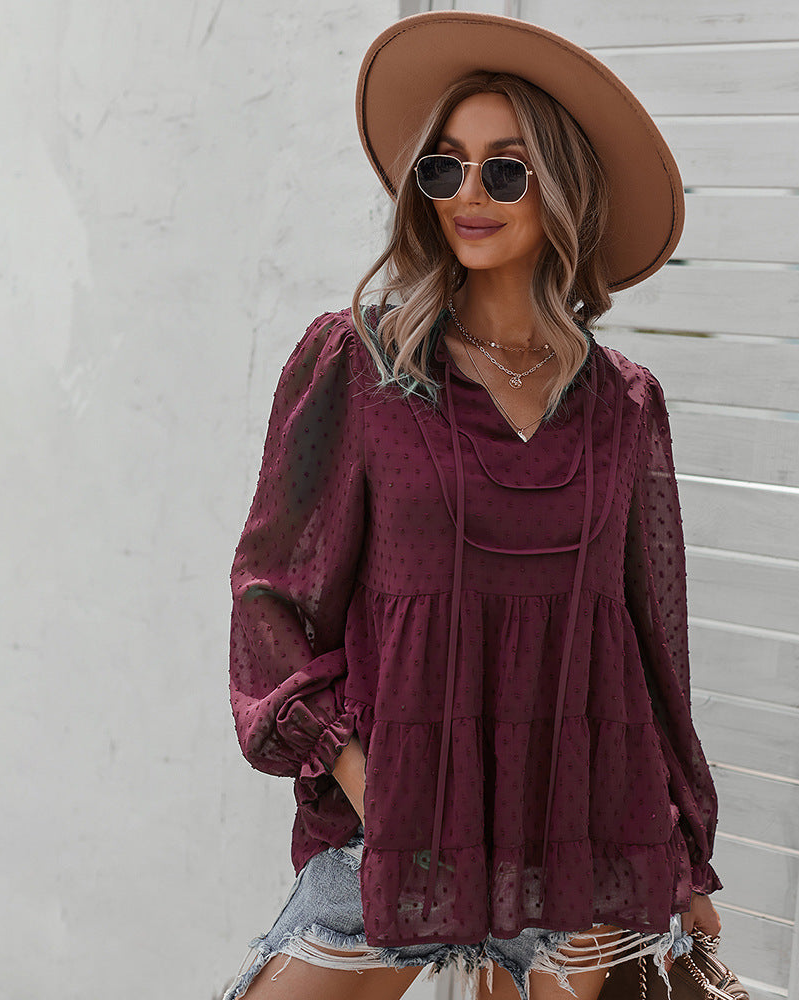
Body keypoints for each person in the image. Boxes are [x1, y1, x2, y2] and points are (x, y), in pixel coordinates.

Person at [222, 12, 722, 1000]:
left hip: (579, 843)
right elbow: (268, 598)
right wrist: (375, 790)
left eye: (505, 170)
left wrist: (686, 862)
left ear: (564, 190)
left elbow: (651, 646)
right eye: (444, 168)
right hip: (404, 837)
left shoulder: (625, 406)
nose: (466, 194)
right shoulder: (358, 365)